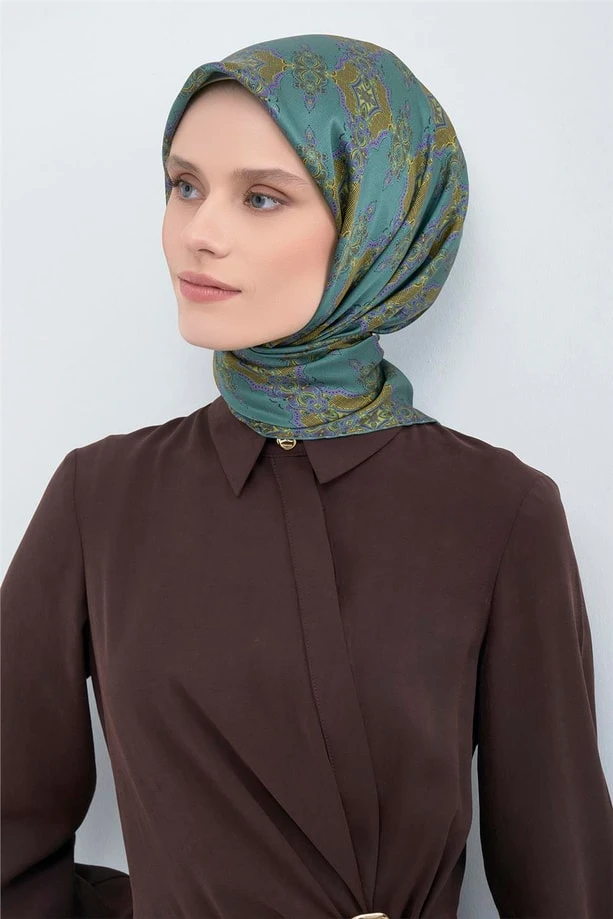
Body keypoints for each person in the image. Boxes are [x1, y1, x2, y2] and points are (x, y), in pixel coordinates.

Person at [2, 32, 612, 919]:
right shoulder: (102, 496)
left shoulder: (500, 511)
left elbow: (564, 876)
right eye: (184, 185)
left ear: (376, 225)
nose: (199, 233)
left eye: (261, 197)